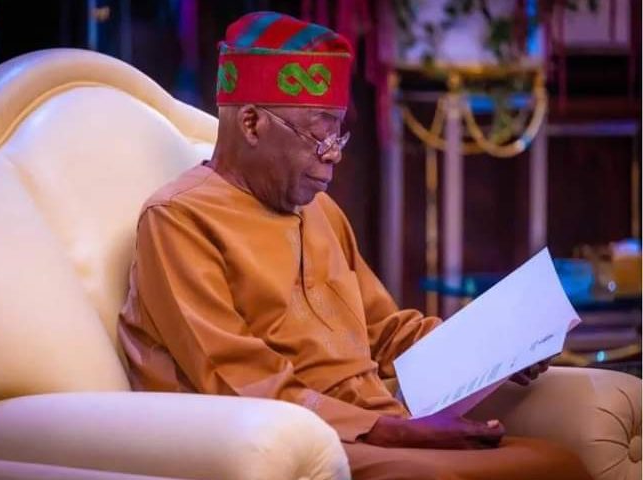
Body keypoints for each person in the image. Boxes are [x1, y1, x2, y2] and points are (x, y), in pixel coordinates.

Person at [119, 11, 591, 480]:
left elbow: (385, 331)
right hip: (303, 440)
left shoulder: (320, 210)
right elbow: (233, 379)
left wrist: (497, 350)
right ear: (250, 123)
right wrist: (393, 431)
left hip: (382, 424)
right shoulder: (179, 220)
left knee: (559, 464)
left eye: (338, 131)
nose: (335, 153)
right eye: (318, 133)